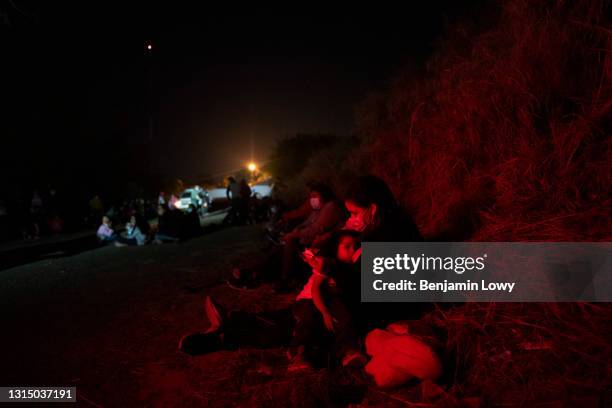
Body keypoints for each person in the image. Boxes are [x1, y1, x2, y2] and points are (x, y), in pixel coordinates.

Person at [288, 230, 365, 371]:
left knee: (345, 317)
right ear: (336, 248)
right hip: (310, 299)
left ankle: (348, 351)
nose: (352, 250)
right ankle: (299, 353)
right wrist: (324, 313)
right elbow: (315, 290)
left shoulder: (352, 267)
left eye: (355, 246)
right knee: (310, 316)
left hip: (331, 299)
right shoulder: (327, 263)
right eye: (346, 247)